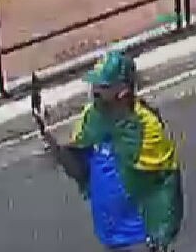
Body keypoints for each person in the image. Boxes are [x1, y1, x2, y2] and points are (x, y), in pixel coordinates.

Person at [36, 50, 184, 251]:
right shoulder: (92, 116)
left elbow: (166, 182)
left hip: (140, 239)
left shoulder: (145, 127)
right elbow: (82, 169)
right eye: (94, 85)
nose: (94, 91)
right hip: (111, 238)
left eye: (102, 87)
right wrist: (55, 147)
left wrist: (162, 234)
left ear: (122, 92)